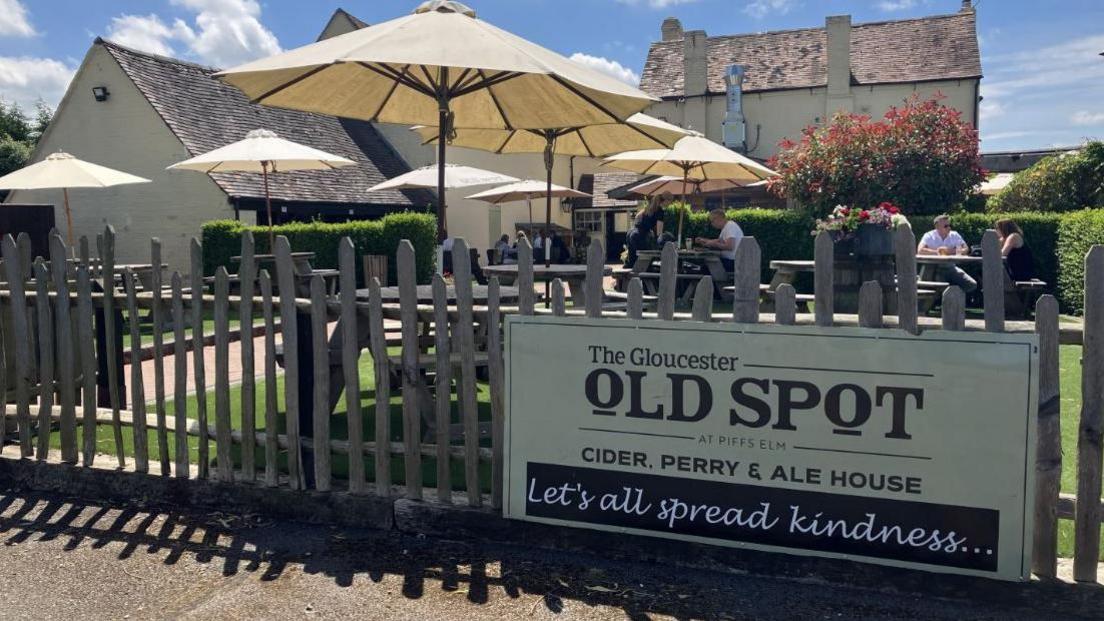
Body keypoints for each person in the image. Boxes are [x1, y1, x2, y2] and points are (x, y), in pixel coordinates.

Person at [917, 214, 977, 293]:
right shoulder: (929, 236)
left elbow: (966, 249)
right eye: (946, 226)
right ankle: (946, 296)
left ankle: (953, 296)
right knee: (940, 288)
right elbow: (920, 250)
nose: (949, 228)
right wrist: (938, 252)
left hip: (951, 268)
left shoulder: (954, 235)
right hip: (934, 268)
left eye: (949, 225)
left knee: (971, 285)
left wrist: (948, 251)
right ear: (937, 227)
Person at [624, 198, 665, 267]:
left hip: (631, 232)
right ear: (664, 201)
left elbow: (637, 219)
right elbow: (659, 231)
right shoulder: (660, 211)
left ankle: (631, 268)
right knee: (644, 259)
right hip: (640, 235)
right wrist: (658, 242)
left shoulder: (648, 208)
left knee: (633, 258)